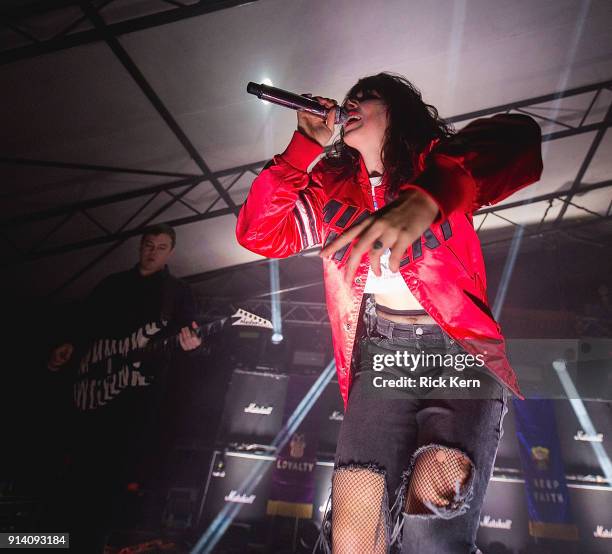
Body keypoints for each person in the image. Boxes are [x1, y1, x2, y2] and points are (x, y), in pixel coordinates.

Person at [237, 73, 542, 553]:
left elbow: (521, 140)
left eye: (367, 95)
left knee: (431, 529)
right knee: (353, 540)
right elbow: (260, 234)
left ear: (396, 110)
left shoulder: (436, 162)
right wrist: (302, 148)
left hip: (456, 353)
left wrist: (428, 196)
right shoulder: (330, 185)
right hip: (380, 357)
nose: (351, 101)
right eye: (349, 97)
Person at [47, 223, 203, 552]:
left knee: (111, 479)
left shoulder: (177, 293)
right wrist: (69, 345)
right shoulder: (112, 284)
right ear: (140, 246)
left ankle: (90, 544)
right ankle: (47, 542)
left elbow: (189, 335)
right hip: (91, 389)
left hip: (136, 400)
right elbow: (84, 320)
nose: (153, 252)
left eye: (161, 247)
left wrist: (192, 344)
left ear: (170, 252)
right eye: (149, 245)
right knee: (73, 474)